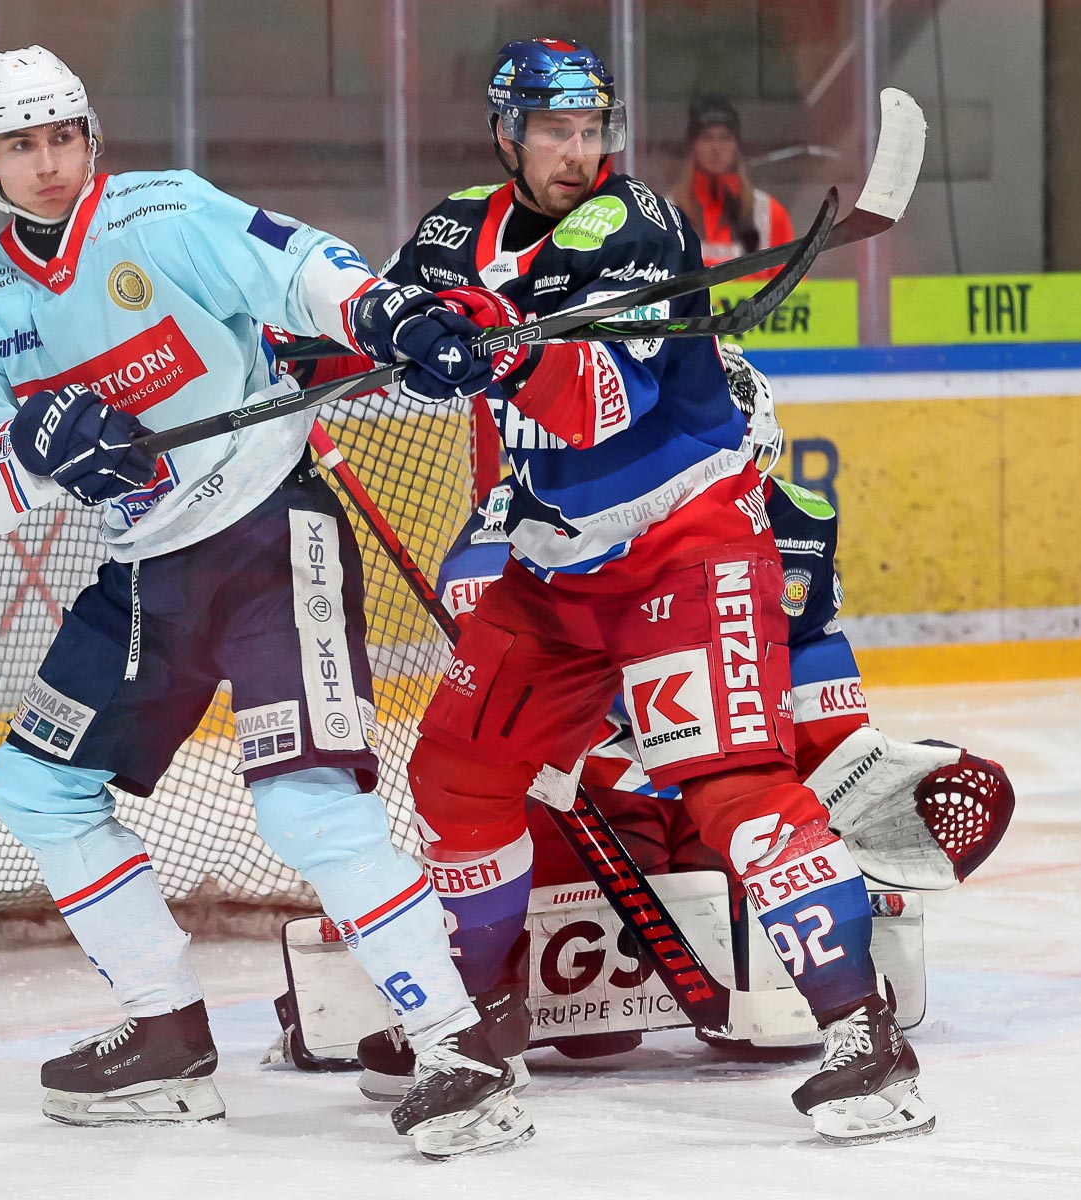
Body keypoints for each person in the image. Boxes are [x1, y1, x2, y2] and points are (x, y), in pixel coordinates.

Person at [0, 46, 531, 1157]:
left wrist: (388, 316)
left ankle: (457, 1046)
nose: (48, 162)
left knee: (306, 804)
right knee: (37, 788)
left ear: (91, 140)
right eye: (21, 145)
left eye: (63, 137)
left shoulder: (164, 213)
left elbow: (299, 268)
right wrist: (30, 443)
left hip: (268, 533)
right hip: (144, 574)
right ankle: (166, 1032)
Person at [370, 37, 933, 1144]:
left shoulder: (637, 226)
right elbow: (382, 324)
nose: (578, 153)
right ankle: (480, 1025)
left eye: (592, 131)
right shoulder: (454, 229)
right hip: (555, 569)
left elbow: (597, 405)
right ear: (506, 134)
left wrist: (495, 349)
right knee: (458, 771)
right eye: (554, 131)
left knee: (727, 781)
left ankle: (863, 1039)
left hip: (683, 545)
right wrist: (374, 337)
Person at [670, 94, 796, 270]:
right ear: (693, 146)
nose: (716, 148)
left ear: (737, 146)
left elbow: (792, 281)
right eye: (707, 137)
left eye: (725, 137)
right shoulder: (666, 214)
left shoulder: (769, 214)